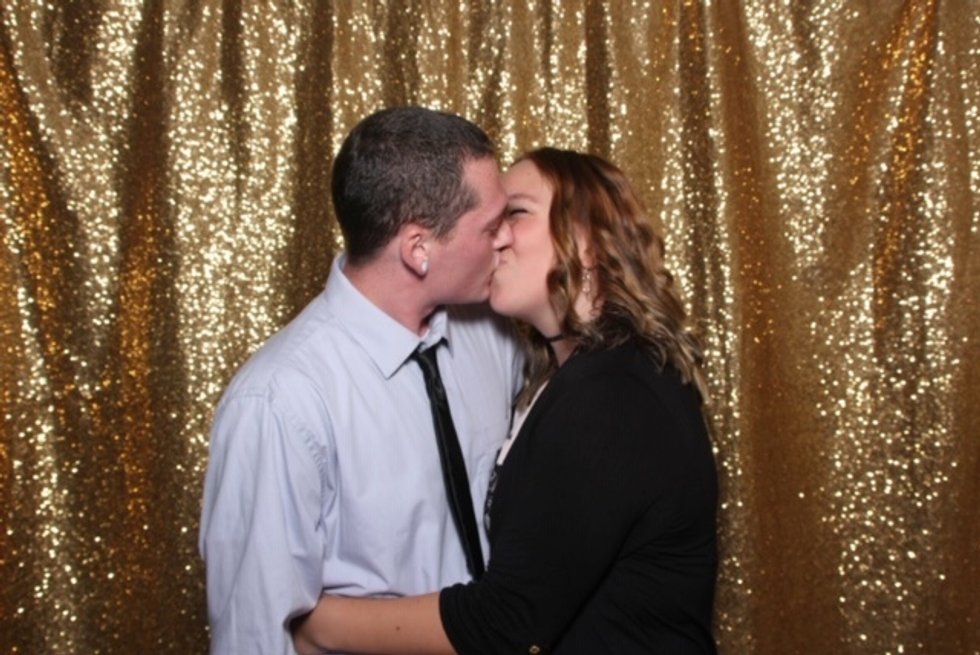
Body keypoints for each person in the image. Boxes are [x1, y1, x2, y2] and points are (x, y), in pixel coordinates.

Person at [292, 147, 718, 654]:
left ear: (588, 238)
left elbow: (507, 622)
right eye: (491, 221)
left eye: (515, 213)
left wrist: (316, 623)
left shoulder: (613, 393)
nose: (495, 238)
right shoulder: (569, 378)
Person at [198, 107, 524, 654]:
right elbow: (255, 631)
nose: (509, 237)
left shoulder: (493, 334)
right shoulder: (280, 402)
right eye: (492, 226)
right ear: (418, 248)